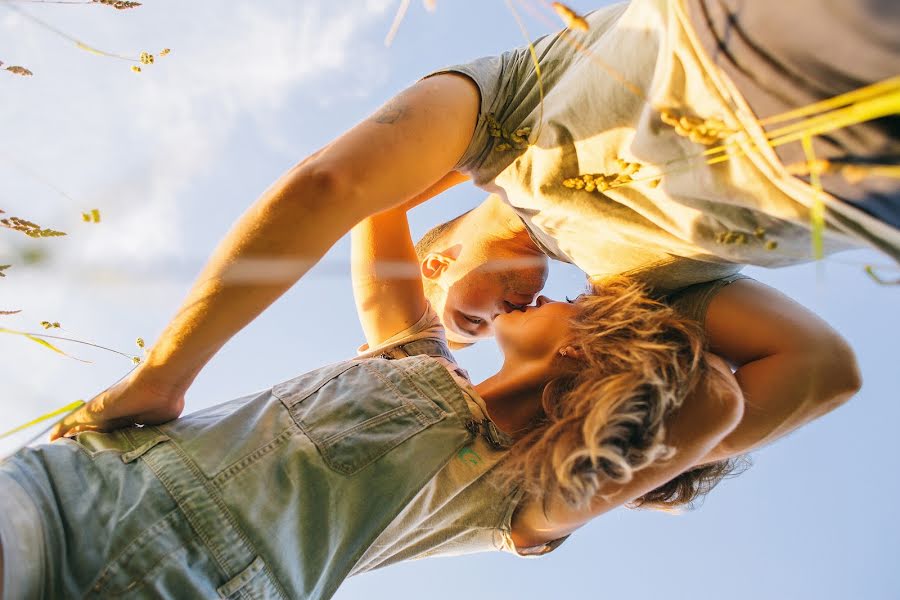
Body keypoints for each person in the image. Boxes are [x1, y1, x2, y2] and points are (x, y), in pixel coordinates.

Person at [0, 202, 753, 598]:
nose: (549, 292)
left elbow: (718, 400)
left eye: (573, 300)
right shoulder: (412, 348)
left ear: (591, 347)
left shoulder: (523, 500)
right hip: (84, 496)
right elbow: (380, 202)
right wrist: (511, 214)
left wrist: (657, 330)